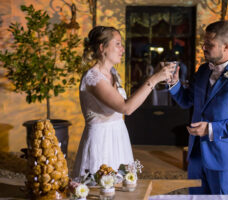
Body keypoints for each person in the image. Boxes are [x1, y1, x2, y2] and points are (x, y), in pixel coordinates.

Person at [168, 21, 228, 194]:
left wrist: (210, 129)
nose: (203, 47)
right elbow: (187, 101)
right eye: (204, 43)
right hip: (196, 155)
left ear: (226, 46)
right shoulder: (202, 70)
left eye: (209, 44)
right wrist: (175, 85)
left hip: (225, 157)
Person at [72, 26, 174, 178]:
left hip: (119, 136)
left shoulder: (113, 73)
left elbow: (126, 101)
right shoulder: (93, 78)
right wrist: (154, 79)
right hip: (101, 141)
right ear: (102, 48)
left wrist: (154, 75)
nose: (123, 49)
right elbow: (126, 108)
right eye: (118, 44)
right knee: (101, 187)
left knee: (122, 186)